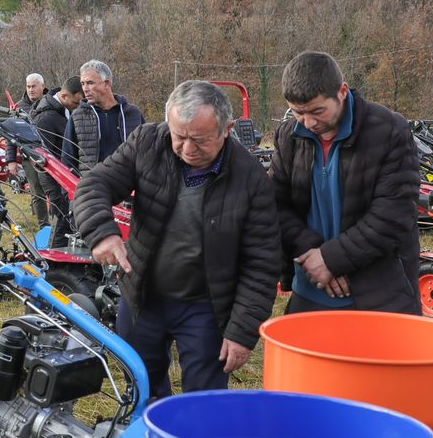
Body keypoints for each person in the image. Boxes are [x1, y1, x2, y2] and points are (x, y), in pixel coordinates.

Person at [73, 80, 281, 400]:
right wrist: (102, 232)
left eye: (199, 141)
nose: (186, 150)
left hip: (206, 306)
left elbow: (262, 263)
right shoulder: (147, 142)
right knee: (142, 385)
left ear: (227, 129)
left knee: (204, 399)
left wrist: (241, 333)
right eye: (179, 136)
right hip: (143, 295)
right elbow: (95, 185)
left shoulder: (251, 179)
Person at [272, 51, 420, 314]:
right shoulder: (289, 137)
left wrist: (332, 259)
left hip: (379, 292)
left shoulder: (388, 131)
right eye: (298, 113)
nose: (308, 122)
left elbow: (393, 215)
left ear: (341, 91)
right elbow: (275, 205)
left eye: (317, 111)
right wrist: (313, 255)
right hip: (310, 287)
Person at [64, 59, 145, 172]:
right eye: (83, 84)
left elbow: (147, 155)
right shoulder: (77, 117)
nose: (85, 89)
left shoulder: (133, 114)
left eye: (90, 83)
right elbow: (68, 160)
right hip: (91, 187)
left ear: (106, 83)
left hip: (127, 187)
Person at [27, 76, 78, 231]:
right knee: (61, 221)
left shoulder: (65, 110)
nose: (79, 106)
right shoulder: (45, 118)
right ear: (64, 96)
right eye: (76, 103)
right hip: (55, 179)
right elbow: (44, 157)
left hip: (69, 176)